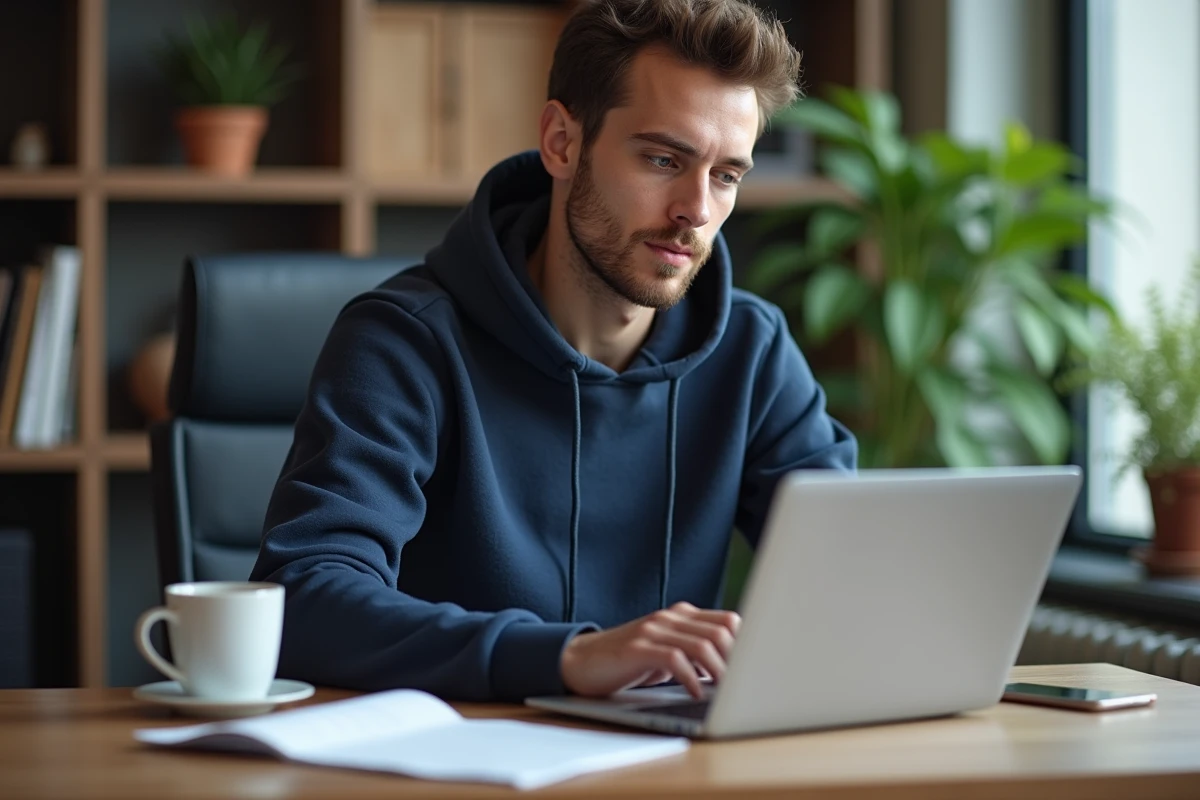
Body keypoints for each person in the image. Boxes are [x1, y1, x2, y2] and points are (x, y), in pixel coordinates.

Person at [250, 0, 856, 703]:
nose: (695, 209)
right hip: (461, 750)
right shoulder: (405, 340)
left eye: (726, 176)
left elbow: (853, 571)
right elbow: (304, 598)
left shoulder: (752, 350)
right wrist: (566, 656)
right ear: (562, 143)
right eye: (664, 159)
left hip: (674, 753)